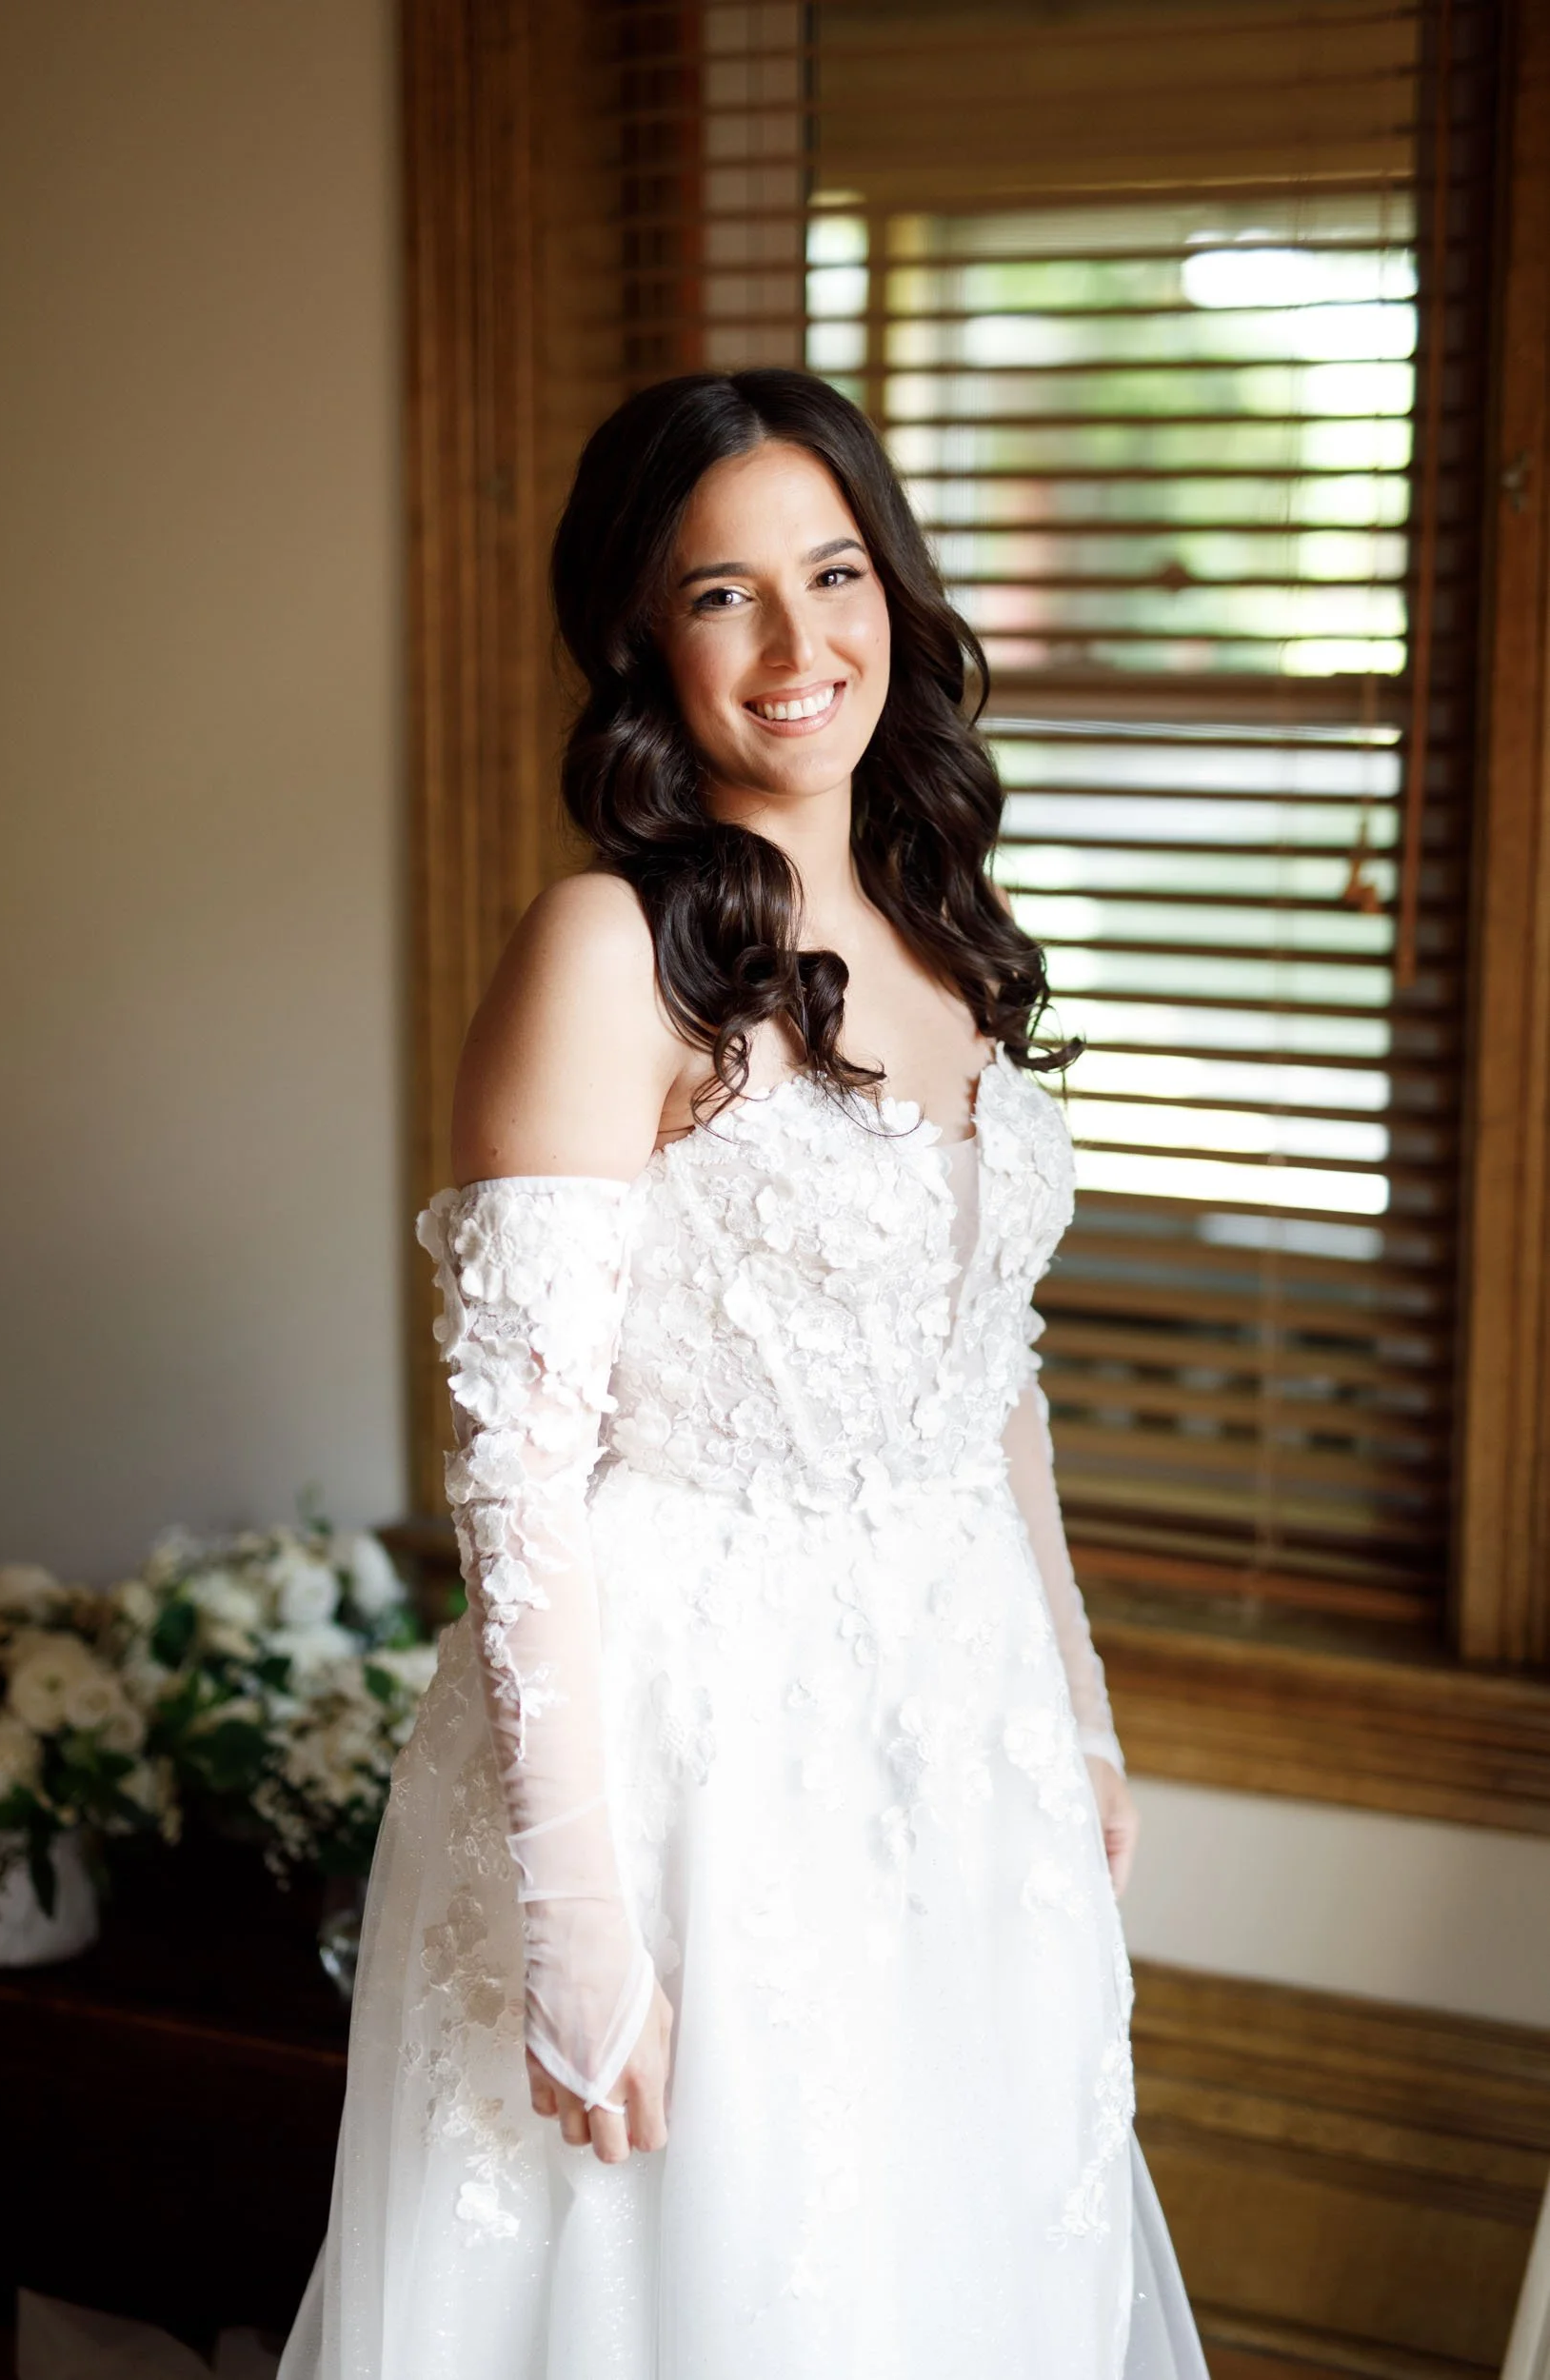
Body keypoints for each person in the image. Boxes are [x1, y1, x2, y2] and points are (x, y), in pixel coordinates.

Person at [280, 367, 1208, 2379]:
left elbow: (985, 1373)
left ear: (895, 592)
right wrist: (576, 1913)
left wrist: (1071, 1703)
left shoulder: (951, 937)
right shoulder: (602, 954)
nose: (799, 644)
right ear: (640, 639)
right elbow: (513, 1476)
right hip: (692, 1754)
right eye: (723, 593)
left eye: (834, 571)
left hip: (950, 1719)